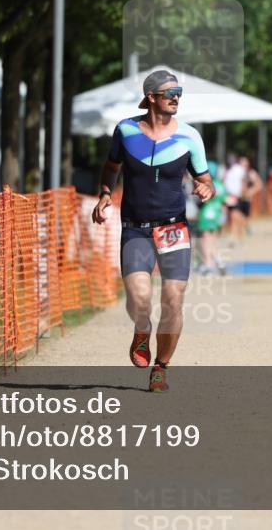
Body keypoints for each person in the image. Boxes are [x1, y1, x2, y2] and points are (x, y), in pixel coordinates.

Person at [91, 70, 215, 393]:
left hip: (173, 228)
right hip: (136, 228)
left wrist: (206, 190)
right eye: (170, 93)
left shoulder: (190, 137)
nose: (176, 98)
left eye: (179, 93)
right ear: (151, 97)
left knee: (173, 299)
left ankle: (161, 367)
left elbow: (206, 179)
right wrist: (105, 193)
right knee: (139, 298)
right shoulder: (125, 130)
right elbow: (111, 167)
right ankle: (142, 329)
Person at [196, 161, 227, 275]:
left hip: (207, 213)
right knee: (213, 239)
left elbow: (201, 200)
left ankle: (208, 265)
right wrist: (223, 217)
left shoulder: (206, 185)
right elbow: (224, 202)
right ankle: (218, 261)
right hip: (217, 213)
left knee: (205, 240)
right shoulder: (220, 185)